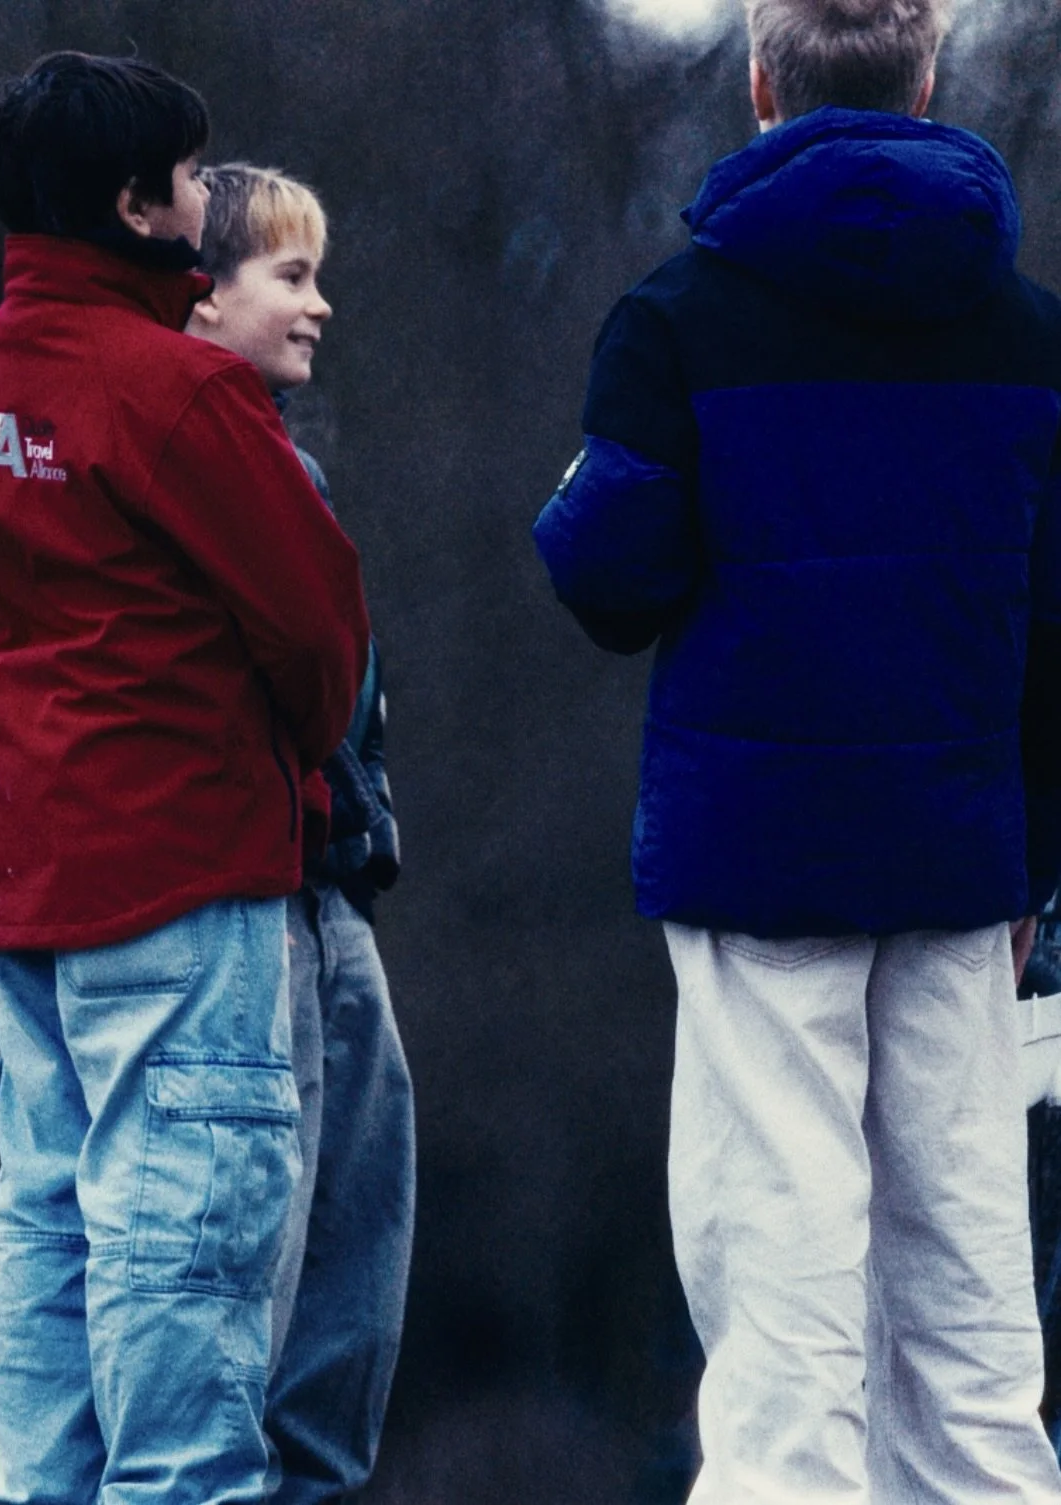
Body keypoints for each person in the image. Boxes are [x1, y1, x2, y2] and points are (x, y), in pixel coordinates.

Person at [530, 0, 1061, 1499]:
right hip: (962, 860)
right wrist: (1037, 861)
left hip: (756, 857)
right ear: (928, 79)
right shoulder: (1032, 335)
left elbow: (607, 580)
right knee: (969, 1297)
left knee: (782, 1286)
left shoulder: (677, 320)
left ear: (761, 82)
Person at [0, 51, 369, 1505]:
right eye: (183, 179)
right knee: (185, 1247)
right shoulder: (177, 394)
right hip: (178, 882)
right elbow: (318, 632)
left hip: (24, 886)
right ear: (133, 206)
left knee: (50, 1230)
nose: (196, 202)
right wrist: (293, 753)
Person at [188, 164, 416, 1504]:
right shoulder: (169, 468)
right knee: (265, 1276)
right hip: (259, 906)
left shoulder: (296, 470)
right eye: (291, 275)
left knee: (359, 1260)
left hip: (335, 899)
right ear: (203, 296)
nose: (320, 304)